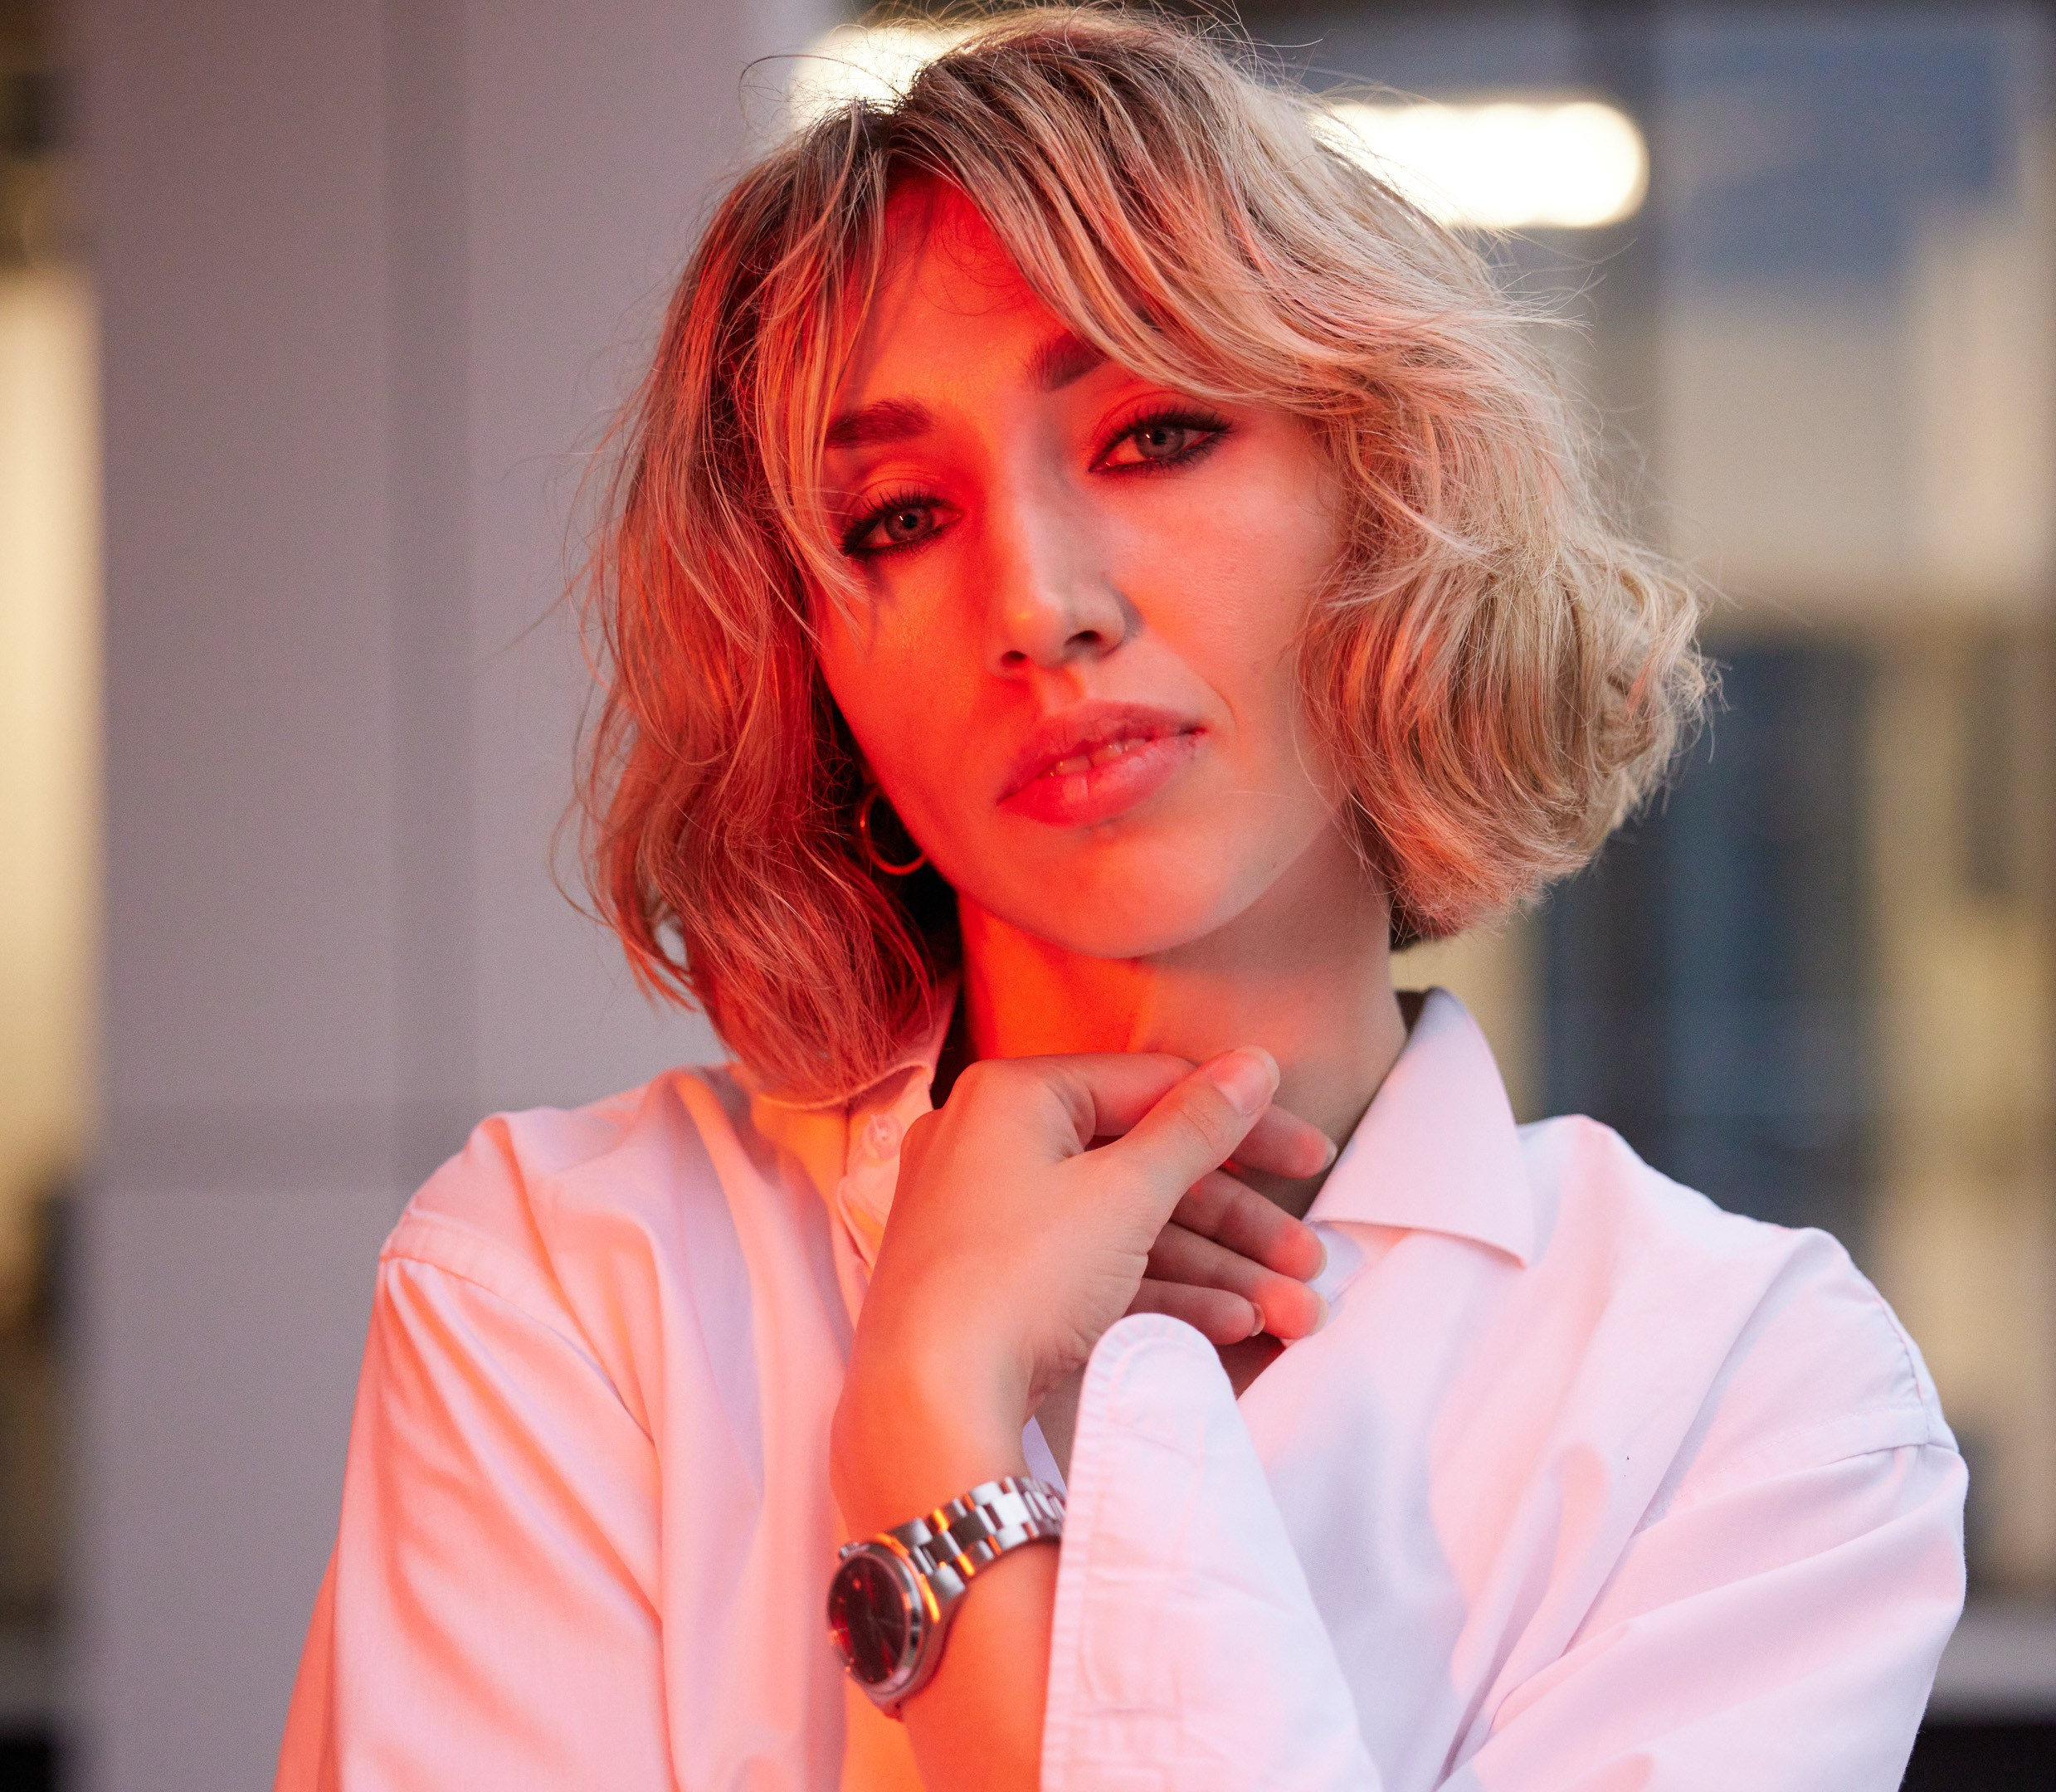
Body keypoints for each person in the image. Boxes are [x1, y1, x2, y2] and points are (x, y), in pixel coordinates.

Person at [274, 12, 1966, 1790]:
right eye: (893, 521)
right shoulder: (568, 1285)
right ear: (810, 669)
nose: (1039, 603)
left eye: (1153, 435)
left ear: (1382, 504)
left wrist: (934, 1449)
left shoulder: (1743, 1393)